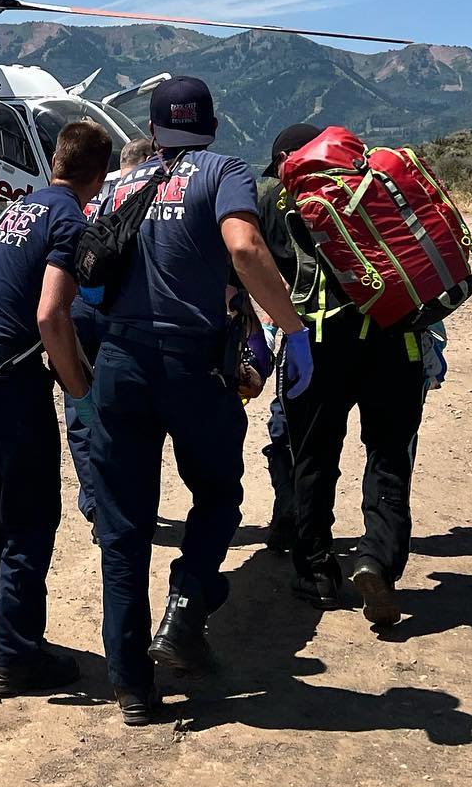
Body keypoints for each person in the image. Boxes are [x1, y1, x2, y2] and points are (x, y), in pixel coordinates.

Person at [85, 78, 311, 727]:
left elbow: (92, 275)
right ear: (210, 124)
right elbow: (243, 247)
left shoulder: (118, 185)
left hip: (120, 365)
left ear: (153, 131)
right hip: (191, 364)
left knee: (123, 529)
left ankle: (132, 686)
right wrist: (291, 333)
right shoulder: (224, 170)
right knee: (216, 495)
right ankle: (184, 609)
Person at [0, 120, 113, 697]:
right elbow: (49, 316)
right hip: (7, 375)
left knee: (1, 504)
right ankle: (16, 656)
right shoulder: (70, 219)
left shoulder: (18, 210)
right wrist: (81, 391)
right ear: (99, 174)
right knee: (33, 513)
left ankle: (13, 632)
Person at [275, 144, 435, 628]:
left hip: (323, 345)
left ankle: (317, 570)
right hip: (397, 340)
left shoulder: (293, 204)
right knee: (389, 455)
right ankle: (377, 560)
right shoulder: (383, 192)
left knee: (314, 457)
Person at [64, 135, 156, 525]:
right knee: (126, 407)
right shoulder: (152, 197)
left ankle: (96, 501)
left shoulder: (94, 198)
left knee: (81, 405)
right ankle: (124, 496)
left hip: (78, 309)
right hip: (122, 314)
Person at [253, 123, 322, 561]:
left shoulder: (272, 202)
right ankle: (380, 546)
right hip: (370, 334)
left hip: (301, 331)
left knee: (290, 426)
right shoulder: (358, 193)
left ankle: (292, 515)